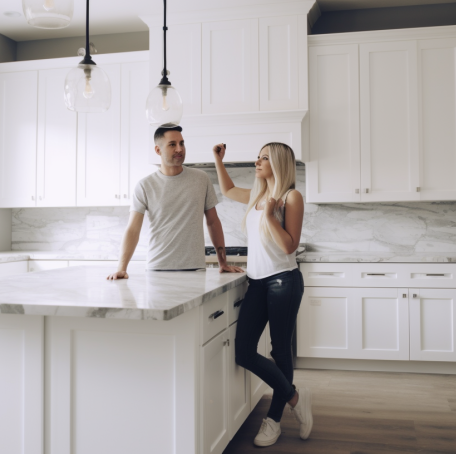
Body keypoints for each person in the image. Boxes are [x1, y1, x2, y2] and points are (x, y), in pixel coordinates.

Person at [212, 141, 312, 447]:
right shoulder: (257, 195)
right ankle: (295, 397)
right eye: (257, 157)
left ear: (279, 163)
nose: (257, 162)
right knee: (243, 352)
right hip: (256, 282)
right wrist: (218, 160)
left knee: (280, 351)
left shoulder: (291, 197)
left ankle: (274, 421)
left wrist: (270, 216)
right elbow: (228, 191)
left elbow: (289, 246)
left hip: (283, 281)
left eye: (264, 158)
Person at [107, 126, 244, 278]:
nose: (180, 149)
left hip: (195, 269)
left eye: (182, 143)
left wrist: (222, 263)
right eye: (172, 144)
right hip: (157, 270)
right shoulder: (145, 185)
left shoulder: (201, 179)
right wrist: (122, 268)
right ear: (158, 150)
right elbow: (133, 229)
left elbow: (213, 222)